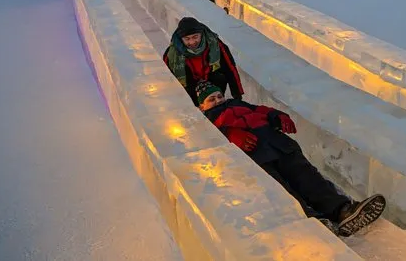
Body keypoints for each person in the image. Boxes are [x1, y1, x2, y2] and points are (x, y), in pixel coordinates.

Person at [195, 80, 387, 236]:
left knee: (308, 177)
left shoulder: (238, 104)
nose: (218, 101)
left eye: (220, 96)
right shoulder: (207, 121)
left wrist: (277, 116)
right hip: (254, 154)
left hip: (279, 144)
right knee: (280, 189)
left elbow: (261, 111)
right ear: (202, 106)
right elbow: (209, 140)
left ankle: (342, 211)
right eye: (211, 99)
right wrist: (229, 134)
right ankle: (313, 221)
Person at [163, 17, 244, 106]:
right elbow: (169, 81)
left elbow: (230, 69)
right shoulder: (171, 55)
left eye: (195, 37)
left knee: (220, 77)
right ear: (181, 39)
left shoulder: (215, 45)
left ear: (201, 34)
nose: (192, 42)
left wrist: (237, 95)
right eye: (187, 39)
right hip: (191, 87)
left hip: (213, 84)